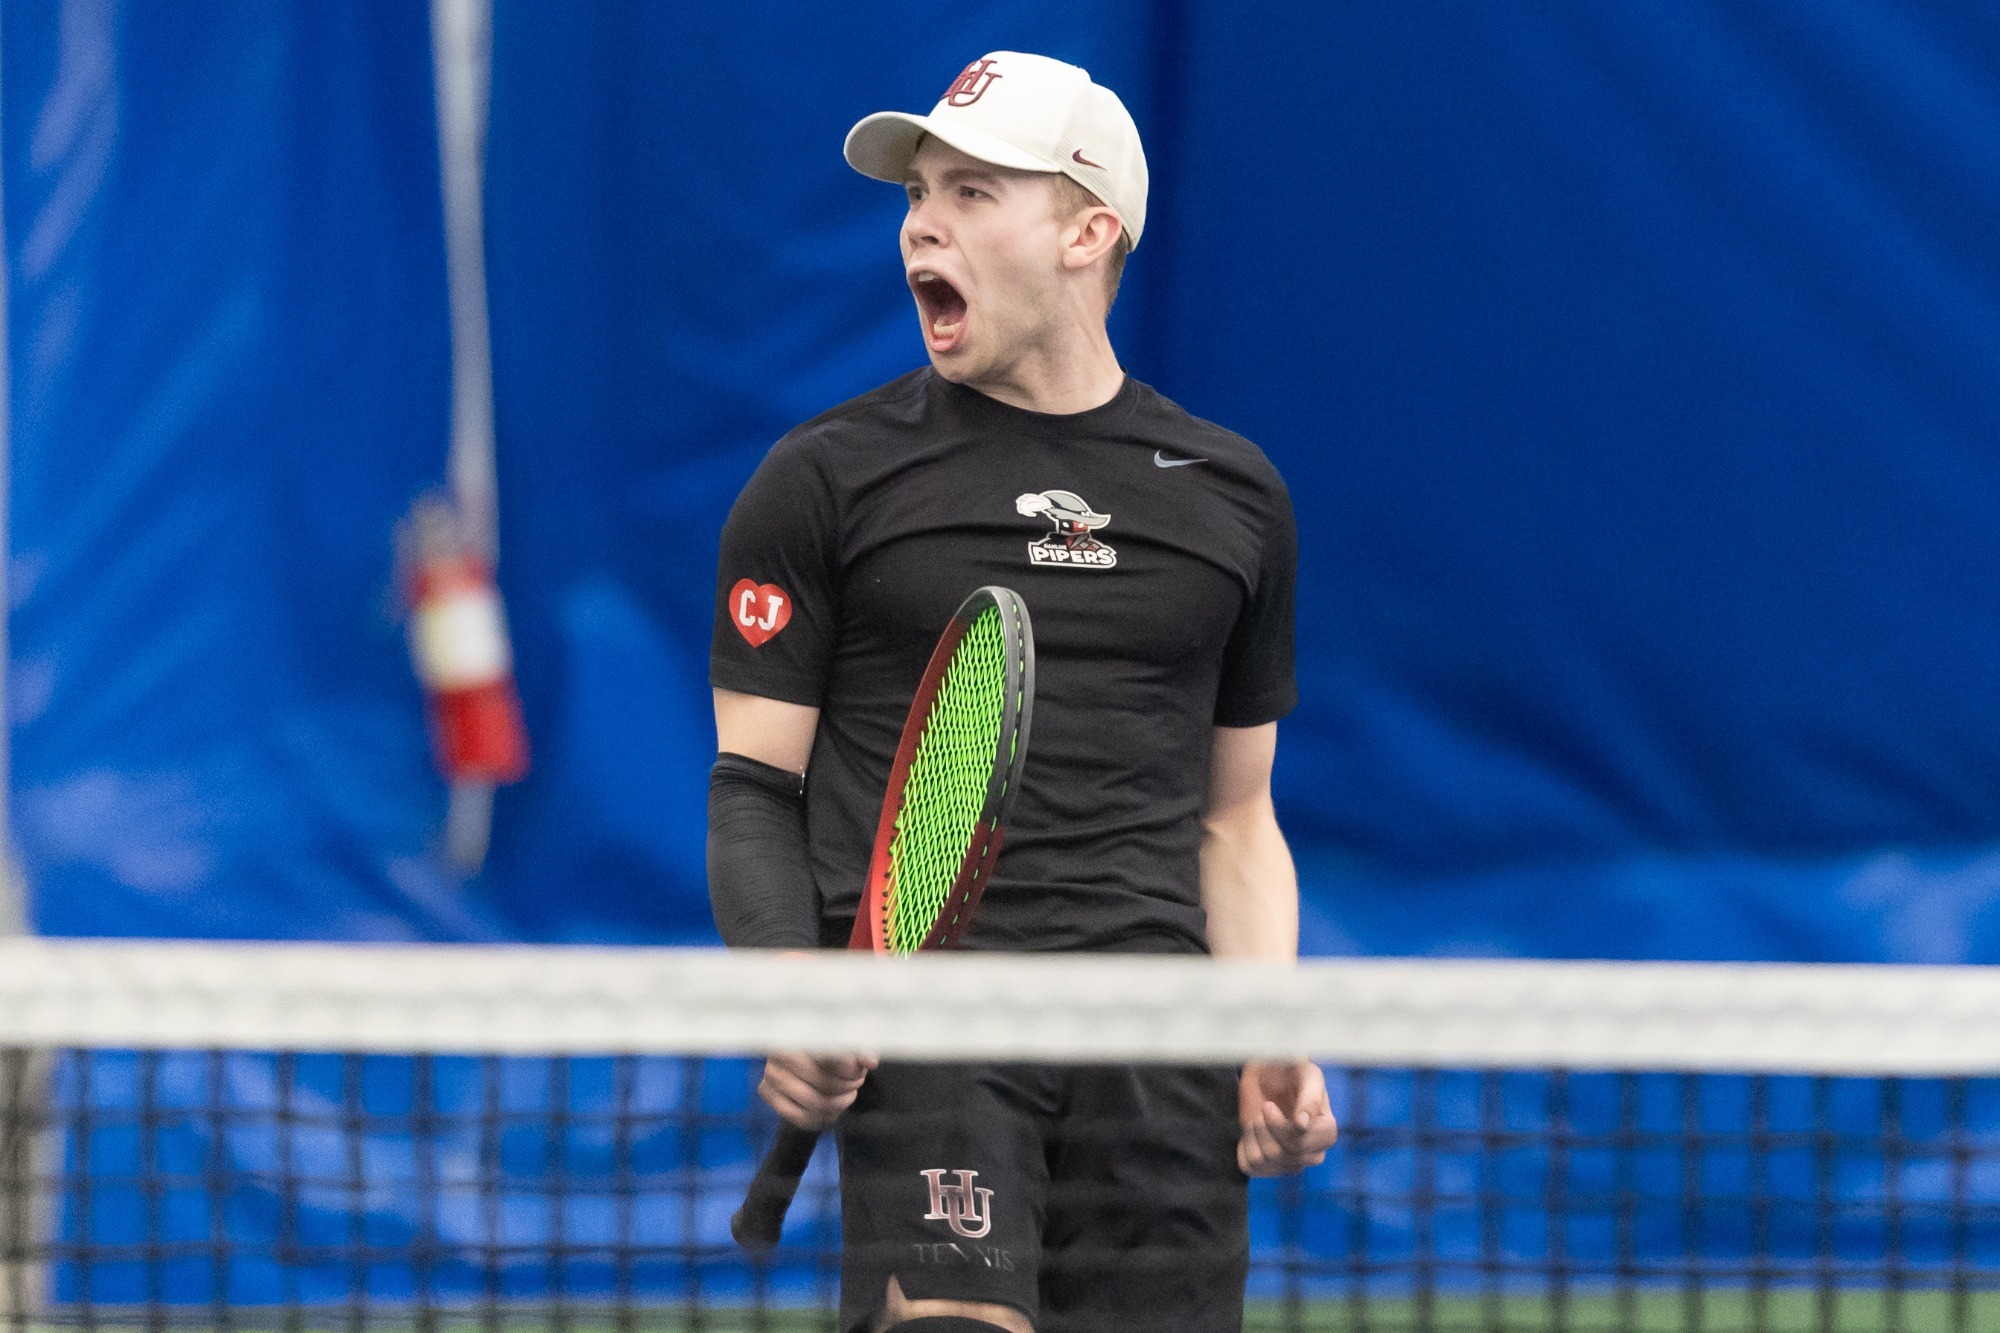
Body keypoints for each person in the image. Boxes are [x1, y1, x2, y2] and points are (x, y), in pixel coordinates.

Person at [706, 51, 1337, 1333]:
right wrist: (796, 991)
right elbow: (751, 791)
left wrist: (1271, 1028)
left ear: (1085, 231)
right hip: (934, 1036)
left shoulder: (1231, 497)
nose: (921, 223)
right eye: (916, 193)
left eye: (974, 190)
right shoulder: (821, 480)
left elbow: (1235, 821)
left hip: (1160, 1052)